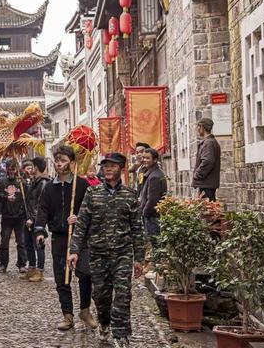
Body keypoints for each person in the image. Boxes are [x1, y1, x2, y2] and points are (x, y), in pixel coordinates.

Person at [69, 153, 145, 347]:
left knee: (122, 294)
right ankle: (104, 323)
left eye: (112, 166)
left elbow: (137, 228)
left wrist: (139, 258)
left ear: (121, 168)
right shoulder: (92, 193)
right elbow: (81, 224)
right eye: (105, 166)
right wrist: (75, 250)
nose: (108, 169)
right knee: (101, 296)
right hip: (98, 254)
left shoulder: (130, 195)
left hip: (122, 254)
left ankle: (121, 334)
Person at [35, 145, 97, 331]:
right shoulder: (48, 188)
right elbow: (42, 211)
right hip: (59, 238)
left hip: (81, 238)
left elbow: (93, 211)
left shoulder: (82, 185)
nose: (59, 164)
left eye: (63, 160)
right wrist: (40, 232)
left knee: (85, 274)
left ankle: (85, 310)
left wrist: (79, 218)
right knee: (62, 278)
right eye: (57, 160)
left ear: (72, 163)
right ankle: (67, 315)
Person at [0, 159, 27, 273]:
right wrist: (6, 197)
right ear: (6, 169)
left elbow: (27, 196)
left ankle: (22, 264)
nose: (11, 172)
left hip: (19, 217)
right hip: (7, 216)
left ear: (16, 169)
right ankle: (3, 264)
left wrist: (24, 183)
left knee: (21, 241)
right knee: (4, 241)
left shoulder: (21, 182)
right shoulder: (2, 182)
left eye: (13, 169)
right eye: (9, 169)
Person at [22, 156, 50, 282]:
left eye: (32, 167)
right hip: (28, 218)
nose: (30, 169)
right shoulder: (34, 181)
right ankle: (32, 268)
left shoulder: (43, 183)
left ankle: (40, 271)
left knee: (38, 244)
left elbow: (41, 203)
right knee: (28, 244)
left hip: (37, 220)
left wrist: (32, 218)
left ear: (36, 168)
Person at [139, 148, 167, 253]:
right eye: (144, 158)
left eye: (148, 158)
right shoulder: (152, 173)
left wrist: (144, 213)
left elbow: (153, 200)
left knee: (155, 242)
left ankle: (158, 266)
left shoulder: (154, 176)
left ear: (155, 160)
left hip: (152, 215)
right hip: (152, 214)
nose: (145, 160)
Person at [192, 118, 221, 201]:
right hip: (206, 183)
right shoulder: (209, 142)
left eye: (198, 126)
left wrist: (197, 174)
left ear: (202, 127)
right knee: (206, 210)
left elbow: (208, 161)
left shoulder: (209, 143)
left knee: (207, 210)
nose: (197, 129)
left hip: (207, 183)